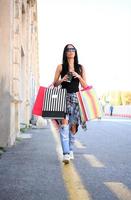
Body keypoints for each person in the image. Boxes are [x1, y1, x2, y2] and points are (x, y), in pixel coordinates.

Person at [53, 44, 87, 164]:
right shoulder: (61, 67)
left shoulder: (80, 67)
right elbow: (55, 84)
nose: (71, 51)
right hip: (63, 97)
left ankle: (70, 150)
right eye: (68, 50)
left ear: (75, 52)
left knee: (73, 128)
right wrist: (63, 79)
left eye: (73, 49)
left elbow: (85, 86)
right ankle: (66, 153)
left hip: (76, 99)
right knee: (64, 125)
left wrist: (78, 76)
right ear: (65, 52)